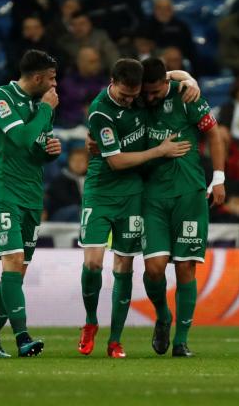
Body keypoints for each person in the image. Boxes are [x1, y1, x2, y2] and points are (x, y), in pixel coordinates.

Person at [79, 59, 194, 359]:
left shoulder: (142, 91)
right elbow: (115, 162)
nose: (131, 100)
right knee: (92, 263)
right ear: (112, 81)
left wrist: (190, 80)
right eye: (124, 95)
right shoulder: (101, 110)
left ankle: (115, 340)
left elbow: (170, 75)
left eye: (134, 95)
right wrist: (159, 151)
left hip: (133, 194)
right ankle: (91, 322)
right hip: (101, 191)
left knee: (124, 265)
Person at [0, 49, 61, 358]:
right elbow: (23, 138)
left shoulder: (40, 106)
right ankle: (22, 337)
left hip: (31, 195)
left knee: (18, 271)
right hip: (3, 191)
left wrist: (50, 151)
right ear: (37, 78)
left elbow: (35, 148)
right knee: (11, 260)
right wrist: (46, 112)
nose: (55, 86)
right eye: (51, 79)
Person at [140, 57, 226, 357]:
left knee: (186, 267)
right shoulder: (136, 96)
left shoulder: (186, 96)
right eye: (145, 92)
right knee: (154, 268)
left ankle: (181, 340)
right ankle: (163, 316)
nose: (149, 97)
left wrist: (218, 178)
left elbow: (214, 134)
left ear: (166, 83)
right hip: (152, 196)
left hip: (190, 193)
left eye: (154, 91)